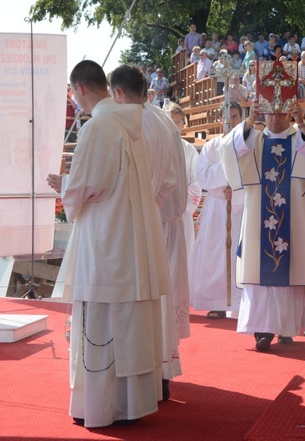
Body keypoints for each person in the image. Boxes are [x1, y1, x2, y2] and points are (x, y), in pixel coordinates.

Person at [47, 60, 169, 428]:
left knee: (102, 317)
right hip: (129, 234)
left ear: (80, 88)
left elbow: (89, 185)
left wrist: (65, 185)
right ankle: (131, 404)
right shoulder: (132, 124)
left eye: (73, 93)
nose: (74, 100)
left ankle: (102, 407)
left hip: (106, 239)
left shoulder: (99, 126)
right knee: (126, 321)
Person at [220, 73, 305, 352]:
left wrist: (302, 123)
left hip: (293, 221)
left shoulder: (302, 140)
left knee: (290, 274)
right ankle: (262, 330)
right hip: (259, 225)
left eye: (280, 113)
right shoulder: (254, 140)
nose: (274, 119)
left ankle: (286, 328)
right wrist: (248, 120)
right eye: (269, 114)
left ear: (289, 114)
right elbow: (229, 150)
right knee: (261, 278)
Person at [108, 64, 189, 400]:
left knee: (133, 301)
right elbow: (175, 185)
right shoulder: (164, 123)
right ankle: (162, 372)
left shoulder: (118, 125)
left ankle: (132, 374)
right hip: (160, 224)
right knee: (158, 299)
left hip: (128, 227)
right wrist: (156, 211)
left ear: (117, 93)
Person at [190, 102, 245, 318]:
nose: (230, 121)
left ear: (241, 118)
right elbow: (203, 174)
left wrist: (238, 190)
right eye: (227, 116)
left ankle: (240, 301)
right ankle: (217, 302)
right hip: (217, 206)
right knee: (216, 254)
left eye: (234, 116)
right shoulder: (211, 146)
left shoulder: (248, 145)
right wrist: (224, 187)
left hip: (240, 207)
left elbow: (254, 174)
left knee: (238, 254)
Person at [167, 104, 202, 275]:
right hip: (161, 212)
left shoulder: (189, 150)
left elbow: (197, 181)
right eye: (171, 121)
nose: (175, 126)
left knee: (183, 259)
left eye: (179, 122)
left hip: (182, 213)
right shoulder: (155, 145)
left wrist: (182, 205)